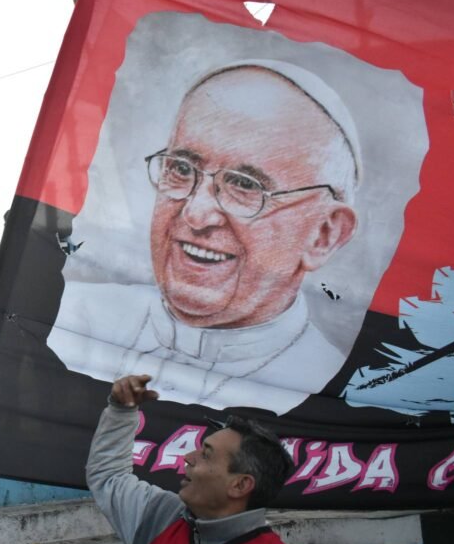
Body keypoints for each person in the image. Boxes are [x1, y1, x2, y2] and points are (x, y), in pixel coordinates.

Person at [48, 63, 360, 414]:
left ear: (323, 235)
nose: (196, 215)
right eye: (181, 169)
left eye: (245, 185)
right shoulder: (69, 315)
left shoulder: (336, 386)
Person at [88, 374, 323, 544]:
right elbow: (108, 478)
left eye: (206, 454)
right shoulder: (162, 517)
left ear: (240, 485)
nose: (188, 458)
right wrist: (121, 410)